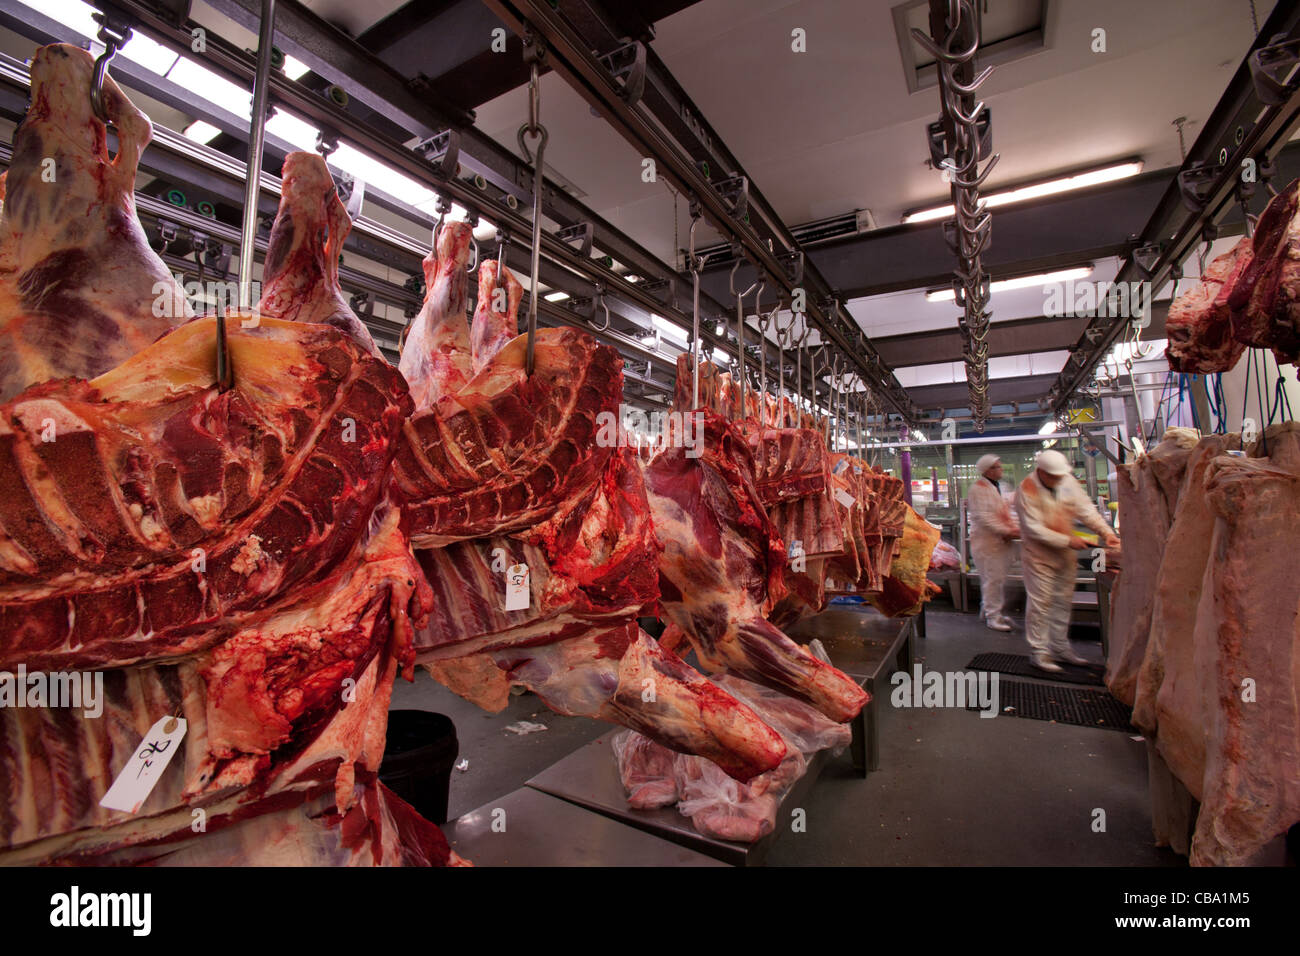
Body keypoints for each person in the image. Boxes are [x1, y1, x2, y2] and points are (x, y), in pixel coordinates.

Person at [1015, 449, 1120, 672]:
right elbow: (1033, 529)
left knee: (1063, 602)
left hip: (1064, 556)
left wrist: (1106, 532)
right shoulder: (1027, 488)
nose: (1058, 479)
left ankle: (1060, 648)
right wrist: (1067, 540)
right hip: (1038, 555)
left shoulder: (1067, 480)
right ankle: (1039, 652)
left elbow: (1085, 510)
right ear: (1041, 471)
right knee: (1040, 604)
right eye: (1053, 475)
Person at [967, 454, 1019, 631]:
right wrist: (1006, 530)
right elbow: (983, 517)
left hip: (998, 542)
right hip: (987, 542)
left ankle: (988, 610)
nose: (1001, 469)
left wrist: (1011, 527)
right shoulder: (978, 488)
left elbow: (1003, 509)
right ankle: (992, 617)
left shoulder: (998, 486)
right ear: (988, 470)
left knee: (994, 579)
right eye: (997, 467)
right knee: (993, 579)